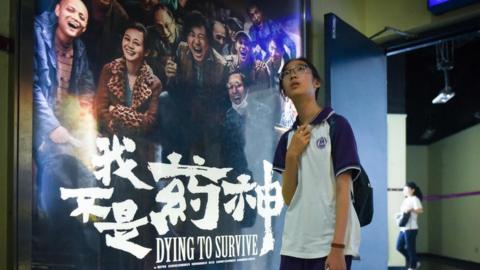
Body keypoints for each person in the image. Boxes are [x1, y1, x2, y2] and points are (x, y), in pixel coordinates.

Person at [273, 58, 361, 270]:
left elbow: (343, 188)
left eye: (301, 69)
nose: (293, 74)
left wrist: (338, 246)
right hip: (294, 245)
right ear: (284, 91)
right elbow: (288, 198)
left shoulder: (336, 125)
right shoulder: (287, 140)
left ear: (316, 83)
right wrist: (292, 155)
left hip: (329, 245)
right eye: (287, 73)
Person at [33, 0, 97, 267]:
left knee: (88, 172)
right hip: (38, 131)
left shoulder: (79, 50)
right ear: (58, 10)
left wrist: (83, 126)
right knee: (61, 180)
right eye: (71, 10)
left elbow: (87, 91)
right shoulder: (36, 34)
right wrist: (54, 129)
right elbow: (32, 88)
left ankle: (83, 254)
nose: (75, 18)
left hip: (66, 135)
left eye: (82, 16)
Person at [146, 3, 182, 81]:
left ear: (173, 21)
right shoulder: (150, 34)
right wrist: (162, 64)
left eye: (167, 25)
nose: (165, 32)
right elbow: (150, 61)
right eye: (159, 27)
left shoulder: (186, 34)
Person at [396, 182, 424, 270]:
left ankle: (413, 266)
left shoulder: (414, 199)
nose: (404, 190)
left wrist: (411, 209)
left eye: (406, 188)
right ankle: (415, 262)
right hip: (403, 228)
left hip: (411, 228)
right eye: (404, 189)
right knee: (399, 247)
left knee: (410, 248)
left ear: (412, 190)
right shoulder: (406, 199)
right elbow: (404, 213)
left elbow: (420, 210)